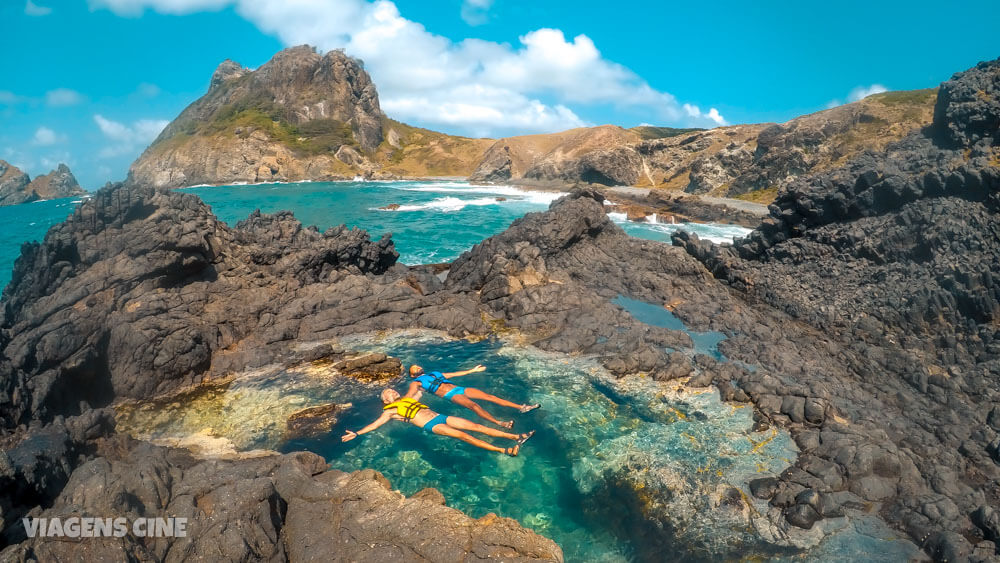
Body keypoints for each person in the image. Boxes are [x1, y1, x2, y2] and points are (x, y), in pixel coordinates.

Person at [341, 388, 534, 456]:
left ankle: (517, 436)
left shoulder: (409, 399)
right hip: (432, 425)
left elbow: (421, 387)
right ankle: (505, 450)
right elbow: (375, 425)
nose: (393, 391)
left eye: (393, 389)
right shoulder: (390, 411)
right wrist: (357, 433)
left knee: (476, 426)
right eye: (389, 392)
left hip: (441, 416)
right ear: (385, 400)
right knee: (464, 436)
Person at [406, 364, 540, 429]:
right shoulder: (416, 383)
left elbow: (453, 374)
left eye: (417, 365)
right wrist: (397, 404)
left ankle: (522, 407)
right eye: (414, 368)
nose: (417, 367)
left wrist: (472, 370)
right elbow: (409, 395)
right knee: (473, 406)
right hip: (450, 395)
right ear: (412, 374)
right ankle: (499, 423)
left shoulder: (434, 373)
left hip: (459, 389)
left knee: (489, 396)